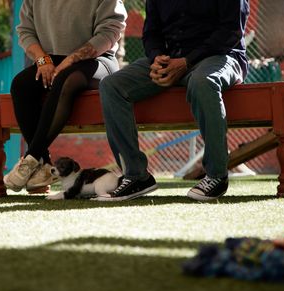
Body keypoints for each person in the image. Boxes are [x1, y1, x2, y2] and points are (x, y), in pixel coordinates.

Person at [97, 0, 250, 201]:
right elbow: (152, 32)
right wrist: (156, 58)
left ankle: (216, 175)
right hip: (172, 59)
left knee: (204, 82)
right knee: (112, 86)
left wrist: (187, 61)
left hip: (220, 56)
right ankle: (136, 176)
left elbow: (230, 33)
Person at [4, 0, 127, 193]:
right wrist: (43, 60)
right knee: (21, 85)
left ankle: (31, 158)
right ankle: (44, 165)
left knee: (66, 79)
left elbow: (109, 32)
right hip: (50, 60)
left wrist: (70, 60)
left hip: (98, 60)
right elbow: (26, 31)